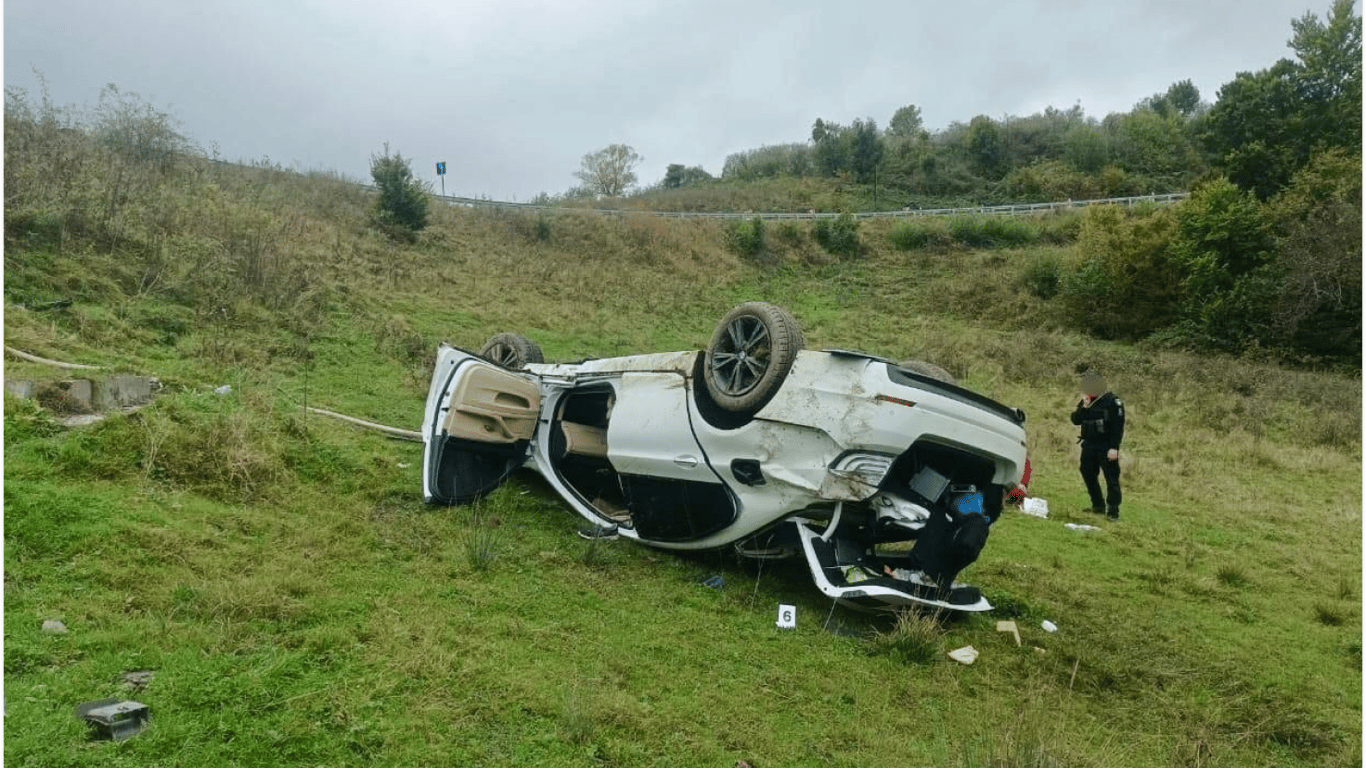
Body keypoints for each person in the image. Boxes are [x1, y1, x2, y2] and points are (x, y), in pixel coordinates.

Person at [1070, 369, 1124, 520]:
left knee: (1111, 478)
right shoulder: (1086, 400)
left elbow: (1117, 427)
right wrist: (1084, 408)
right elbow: (1075, 420)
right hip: (1089, 445)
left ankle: (1113, 511)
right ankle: (1098, 505)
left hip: (1107, 446)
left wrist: (1114, 447)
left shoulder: (1112, 402)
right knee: (1087, 473)